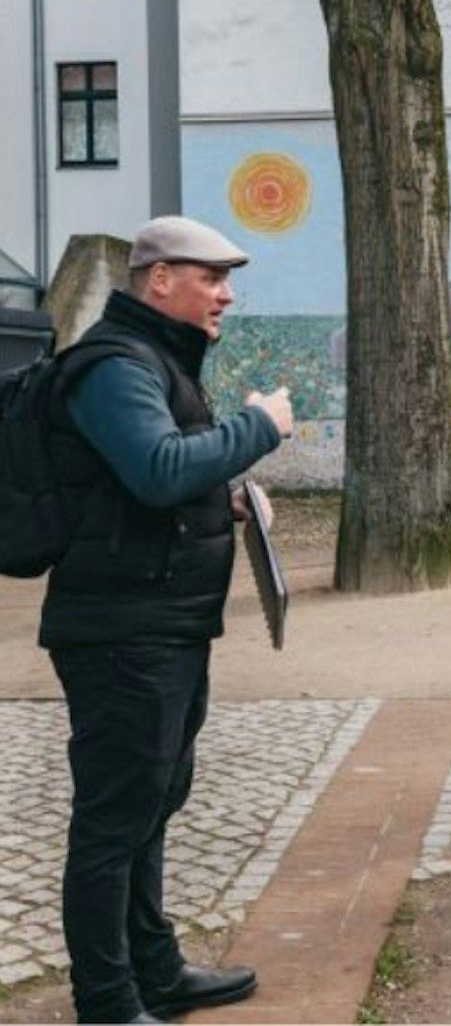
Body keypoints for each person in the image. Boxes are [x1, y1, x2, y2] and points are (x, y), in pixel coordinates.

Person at [41, 217, 294, 1025]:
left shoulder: (157, 361)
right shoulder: (115, 367)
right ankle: (108, 1002)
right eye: (211, 277)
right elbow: (154, 471)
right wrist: (259, 428)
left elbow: (145, 484)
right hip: (121, 632)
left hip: (166, 623)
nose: (225, 294)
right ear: (159, 281)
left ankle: (154, 970)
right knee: (115, 820)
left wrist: (224, 501)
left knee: (153, 804)